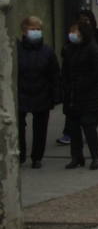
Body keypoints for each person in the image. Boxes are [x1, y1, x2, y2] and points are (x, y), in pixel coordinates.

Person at [58, 10, 98, 146]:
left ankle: (90, 136)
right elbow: (65, 56)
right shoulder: (73, 41)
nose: (84, 23)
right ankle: (69, 135)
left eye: (86, 20)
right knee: (72, 110)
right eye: (81, 20)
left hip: (90, 84)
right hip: (73, 83)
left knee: (90, 113)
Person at [61, 19, 98, 170]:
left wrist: (83, 84)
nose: (72, 35)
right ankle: (76, 156)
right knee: (74, 126)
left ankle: (96, 156)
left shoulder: (92, 48)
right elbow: (66, 71)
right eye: (71, 32)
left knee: (89, 125)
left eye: (75, 32)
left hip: (90, 94)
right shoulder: (69, 49)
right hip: (74, 94)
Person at [17, 16, 59, 169]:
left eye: (38, 29)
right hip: (21, 93)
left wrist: (55, 95)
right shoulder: (17, 49)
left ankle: (37, 157)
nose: (36, 32)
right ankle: (20, 155)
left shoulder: (47, 51)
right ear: (24, 30)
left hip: (42, 93)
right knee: (19, 127)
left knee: (40, 128)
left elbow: (54, 74)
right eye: (32, 29)